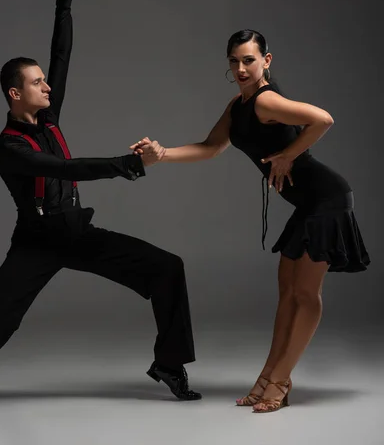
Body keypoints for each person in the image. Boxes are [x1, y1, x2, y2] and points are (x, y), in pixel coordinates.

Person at [0, 0, 201, 401]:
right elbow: (65, 169)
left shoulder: (49, 119)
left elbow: (61, 57)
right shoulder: (10, 146)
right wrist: (127, 164)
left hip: (76, 230)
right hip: (37, 240)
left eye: (45, 82)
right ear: (15, 93)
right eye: (37, 83)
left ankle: (168, 363)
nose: (47, 87)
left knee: (167, 268)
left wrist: (63, 0)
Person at [131, 28, 370, 413]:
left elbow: (323, 119)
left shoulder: (266, 101)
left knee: (305, 295)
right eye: (234, 61)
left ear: (266, 61)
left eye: (249, 60)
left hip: (327, 199)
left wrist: (287, 155)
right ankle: (268, 376)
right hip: (307, 205)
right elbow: (210, 148)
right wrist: (162, 155)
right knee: (287, 294)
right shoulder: (237, 106)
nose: (241, 68)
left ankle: (279, 381)